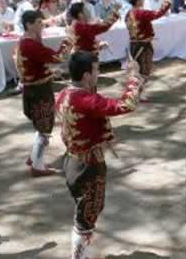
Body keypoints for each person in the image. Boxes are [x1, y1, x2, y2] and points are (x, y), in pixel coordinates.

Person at [56, 51, 144, 259]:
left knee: (85, 211)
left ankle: (82, 254)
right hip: (88, 166)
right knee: (85, 217)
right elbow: (127, 104)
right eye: (96, 70)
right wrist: (133, 78)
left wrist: (103, 134)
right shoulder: (86, 100)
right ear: (86, 75)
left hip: (71, 161)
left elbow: (88, 120)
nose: (98, 73)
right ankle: (78, 257)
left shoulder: (64, 94)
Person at [15, 10, 73, 176]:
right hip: (38, 91)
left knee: (42, 126)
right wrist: (69, 38)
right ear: (29, 25)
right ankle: (37, 166)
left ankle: (34, 157)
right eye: (39, 23)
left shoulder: (26, 42)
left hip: (33, 88)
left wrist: (47, 72)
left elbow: (35, 64)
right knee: (44, 127)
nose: (42, 25)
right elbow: (58, 57)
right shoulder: (30, 44)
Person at [126, 0, 171, 82]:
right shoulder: (142, 13)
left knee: (136, 71)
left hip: (133, 46)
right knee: (144, 71)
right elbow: (158, 13)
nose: (143, 0)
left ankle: (136, 92)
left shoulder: (128, 13)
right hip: (144, 47)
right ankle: (137, 93)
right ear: (138, 1)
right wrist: (167, 1)